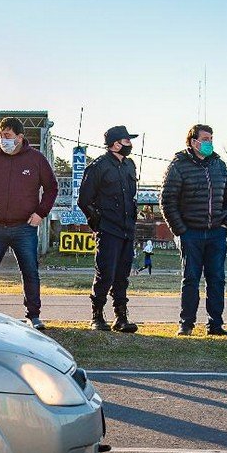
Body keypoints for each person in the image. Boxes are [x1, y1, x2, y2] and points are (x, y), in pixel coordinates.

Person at [0, 117, 58, 331]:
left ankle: (33, 315)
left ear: (20, 137)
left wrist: (40, 213)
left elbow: (52, 187)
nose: (2, 139)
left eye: (7, 136)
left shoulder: (36, 159)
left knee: (30, 271)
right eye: (0, 135)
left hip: (24, 227)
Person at [160, 124, 227, 336]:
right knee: (191, 279)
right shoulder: (178, 165)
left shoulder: (219, 165)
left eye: (211, 138)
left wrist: (226, 223)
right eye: (205, 139)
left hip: (216, 233)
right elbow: (167, 200)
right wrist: (181, 230)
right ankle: (186, 324)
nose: (209, 143)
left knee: (217, 279)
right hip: (191, 233)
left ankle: (215, 324)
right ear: (193, 142)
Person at [77, 125, 140, 332]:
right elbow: (84, 200)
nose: (130, 144)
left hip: (127, 229)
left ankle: (121, 318)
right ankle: (97, 316)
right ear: (115, 144)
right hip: (108, 229)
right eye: (127, 141)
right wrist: (98, 223)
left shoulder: (130, 165)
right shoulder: (98, 166)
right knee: (105, 273)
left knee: (123, 275)